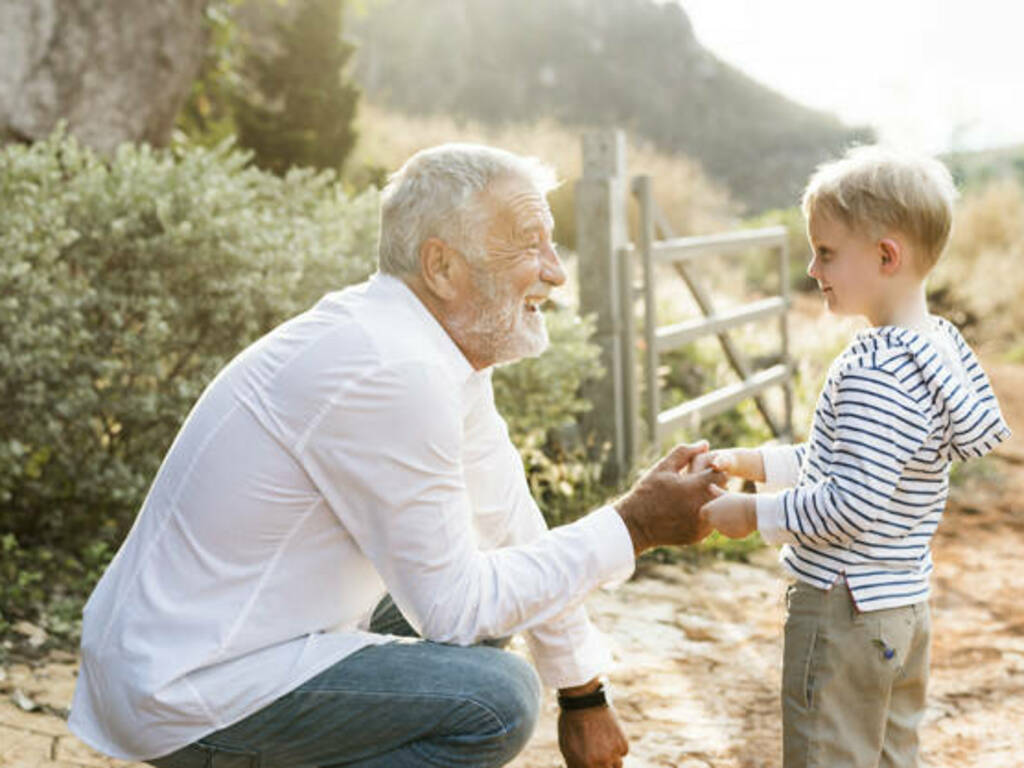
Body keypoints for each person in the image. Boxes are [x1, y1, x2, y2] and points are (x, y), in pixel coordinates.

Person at [69, 143, 724, 768]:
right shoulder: (392, 368)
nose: (556, 270)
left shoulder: (427, 347)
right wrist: (635, 525)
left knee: (502, 600)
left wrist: (584, 693)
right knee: (495, 699)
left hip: (223, 640)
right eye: (531, 244)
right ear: (442, 267)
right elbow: (455, 608)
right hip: (189, 685)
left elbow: (509, 522)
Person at [697, 146, 1011, 767]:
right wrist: (757, 463)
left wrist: (753, 515)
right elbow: (855, 461)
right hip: (901, 608)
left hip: (843, 608)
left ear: (886, 256)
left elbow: (851, 500)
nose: (813, 269)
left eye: (827, 252)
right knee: (892, 755)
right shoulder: (935, 350)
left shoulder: (874, 369)